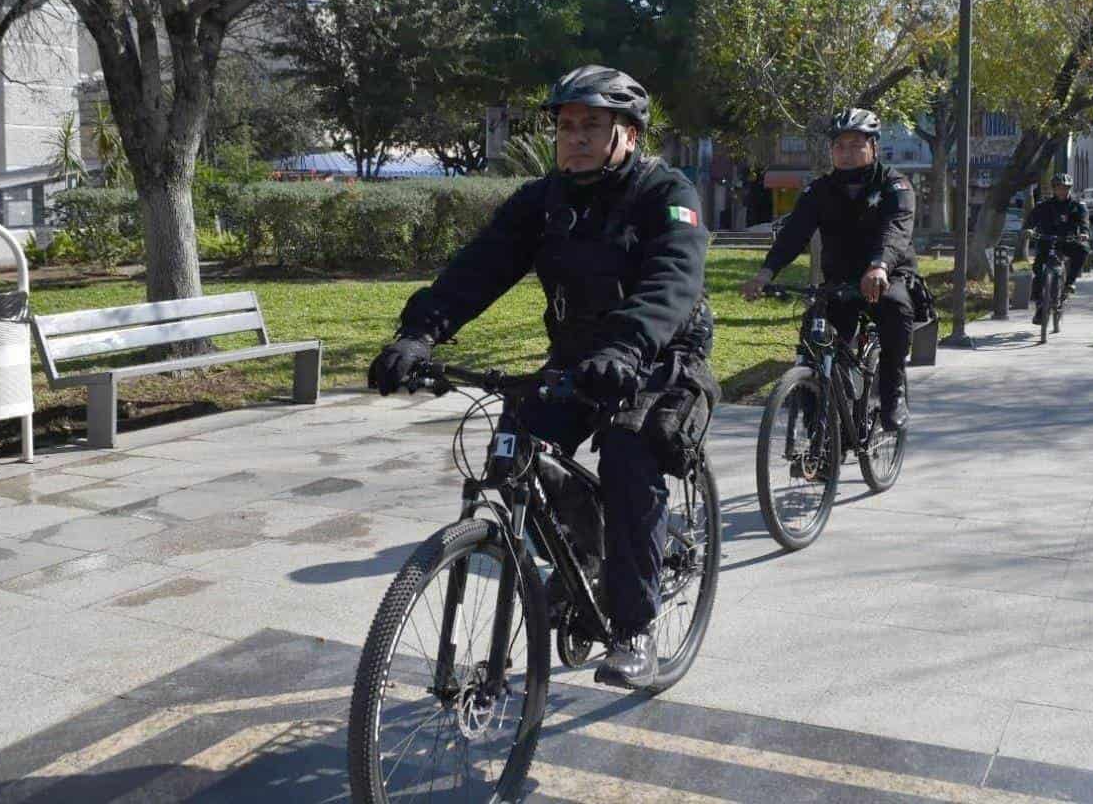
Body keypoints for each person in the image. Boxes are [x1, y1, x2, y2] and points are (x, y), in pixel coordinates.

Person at [370, 65, 712, 690]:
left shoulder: (668, 194)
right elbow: (479, 267)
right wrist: (420, 333)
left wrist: (627, 349)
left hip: (660, 355)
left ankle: (635, 628)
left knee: (629, 457)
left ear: (628, 135)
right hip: (580, 356)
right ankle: (581, 552)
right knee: (515, 449)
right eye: (566, 126)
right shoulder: (542, 200)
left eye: (592, 125)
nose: (575, 137)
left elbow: (673, 281)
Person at [740, 108, 917, 432]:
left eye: (855, 145)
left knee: (895, 308)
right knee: (813, 336)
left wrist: (879, 267)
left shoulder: (895, 186)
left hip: (886, 275)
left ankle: (893, 391)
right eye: (839, 146)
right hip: (839, 281)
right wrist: (766, 273)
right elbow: (794, 234)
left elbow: (896, 230)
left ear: (873, 146)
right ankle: (818, 436)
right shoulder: (819, 191)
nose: (846, 153)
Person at [1026, 173, 1090, 325]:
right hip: (1047, 241)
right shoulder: (1044, 205)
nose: (1062, 191)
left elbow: (1084, 222)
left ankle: (1070, 283)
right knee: (1038, 269)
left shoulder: (1077, 206)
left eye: (1065, 188)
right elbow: (1031, 219)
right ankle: (1040, 305)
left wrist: (1084, 234)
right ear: (1054, 189)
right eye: (1059, 188)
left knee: (1083, 250)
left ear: (1069, 189)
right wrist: (1029, 229)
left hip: (1068, 241)